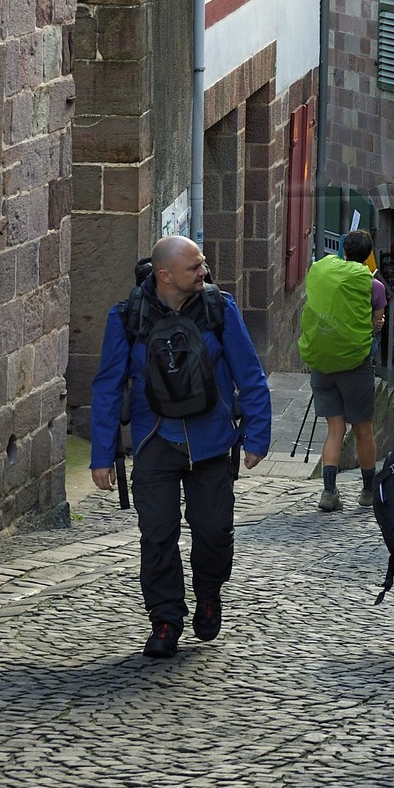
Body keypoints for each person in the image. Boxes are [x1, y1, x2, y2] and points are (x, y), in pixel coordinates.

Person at [89, 236, 272, 658]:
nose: (204, 272)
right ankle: (166, 619)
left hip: (212, 442)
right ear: (165, 274)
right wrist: (102, 454)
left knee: (213, 531)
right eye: (195, 267)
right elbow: (108, 387)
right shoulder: (126, 318)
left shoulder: (219, 309)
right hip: (155, 440)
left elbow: (250, 374)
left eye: (203, 264)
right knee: (157, 535)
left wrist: (257, 435)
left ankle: (208, 593)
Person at [301, 229, 386, 513]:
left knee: (335, 429)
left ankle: (328, 492)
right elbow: (376, 323)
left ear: (344, 251)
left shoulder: (322, 271)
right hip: (354, 362)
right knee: (363, 428)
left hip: (321, 361)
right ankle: (367, 491)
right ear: (367, 256)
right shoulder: (373, 286)